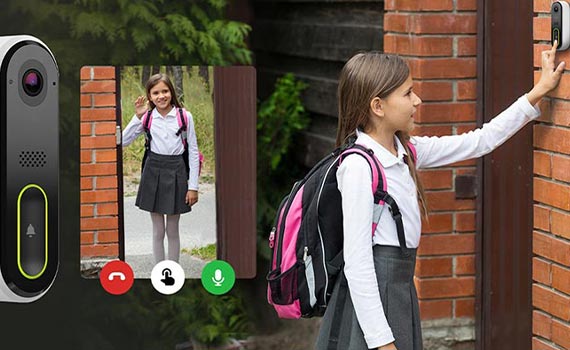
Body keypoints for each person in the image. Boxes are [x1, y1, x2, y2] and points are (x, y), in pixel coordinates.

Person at [315, 42, 564, 350]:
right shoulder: (358, 167)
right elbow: (358, 262)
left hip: (398, 289)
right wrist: (382, 342)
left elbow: (480, 140)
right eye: (407, 94)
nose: (416, 100)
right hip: (374, 302)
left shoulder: (406, 151)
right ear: (378, 106)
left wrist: (538, 91)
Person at [122, 73, 200, 264]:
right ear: (149, 96)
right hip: (153, 171)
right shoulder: (147, 117)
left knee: (172, 228)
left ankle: (173, 269)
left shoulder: (184, 116)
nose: (161, 96)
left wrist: (193, 186)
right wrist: (137, 116)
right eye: (155, 93)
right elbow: (122, 141)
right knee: (158, 229)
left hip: (177, 172)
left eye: (165, 91)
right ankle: (159, 269)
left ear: (171, 92)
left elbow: (193, 152)